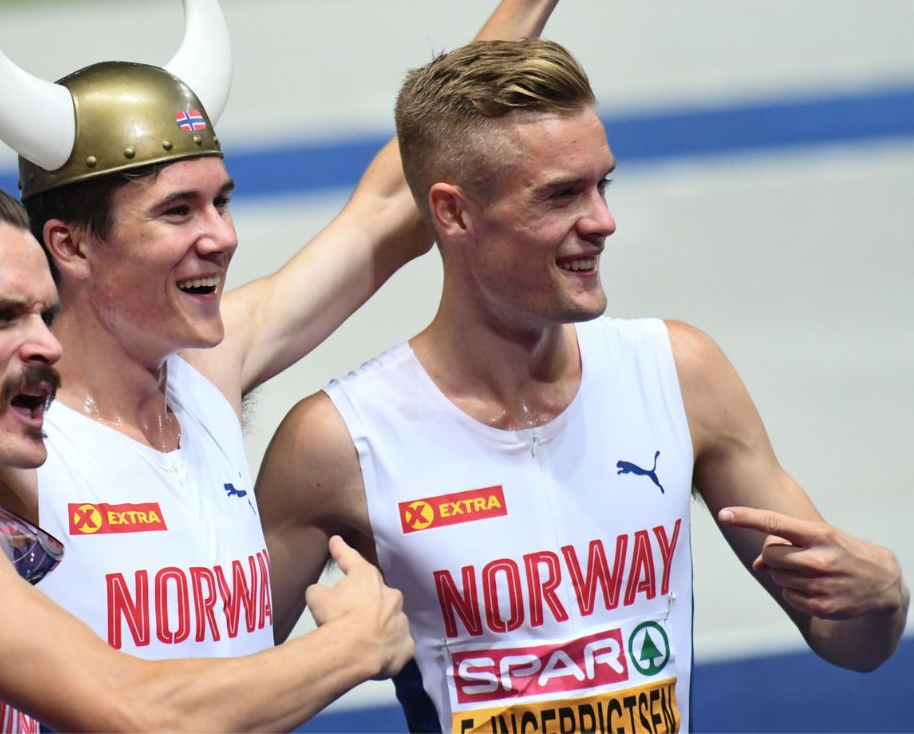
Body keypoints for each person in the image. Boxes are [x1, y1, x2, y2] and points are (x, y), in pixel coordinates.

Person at [0, 0, 590, 664]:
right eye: (178, 211)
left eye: (221, 201)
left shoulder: (208, 374)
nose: (222, 238)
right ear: (71, 247)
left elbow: (387, 208)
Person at [254, 37, 911, 732]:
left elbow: (853, 646)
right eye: (562, 195)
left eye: (604, 184)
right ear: (452, 213)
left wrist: (883, 597)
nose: (602, 221)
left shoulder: (680, 374)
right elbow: (215, 702)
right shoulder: (338, 442)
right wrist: (337, 655)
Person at [0, 59, 415, 731]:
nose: (45, 344)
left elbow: (391, 205)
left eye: (42, 313)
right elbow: (141, 715)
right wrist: (350, 647)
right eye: (3, 317)